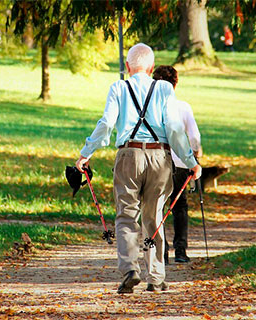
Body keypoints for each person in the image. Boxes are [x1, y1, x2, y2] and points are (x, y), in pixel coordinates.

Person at [76, 43, 201, 294]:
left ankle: (130, 270)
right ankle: (156, 277)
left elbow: (107, 123)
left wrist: (85, 154)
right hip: (159, 157)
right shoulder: (165, 88)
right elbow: (175, 130)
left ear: (127, 67)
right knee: (154, 217)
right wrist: (191, 162)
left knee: (126, 215)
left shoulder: (119, 87)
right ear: (152, 68)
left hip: (128, 155)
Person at [152, 66, 202, 264]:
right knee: (180, 206)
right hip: (181, 162)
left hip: (158, 161)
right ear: (175, 84)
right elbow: (194, 136)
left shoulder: (151, 108)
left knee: (158, 206)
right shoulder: (183, 107)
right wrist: (195, 154)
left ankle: (161, 252)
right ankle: (180, 251)